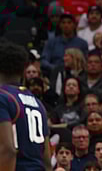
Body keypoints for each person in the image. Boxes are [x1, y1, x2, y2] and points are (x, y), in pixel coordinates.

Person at [0, 41, 52, 171]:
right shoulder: (37, 102)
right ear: (24, 70)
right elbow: (46, 158)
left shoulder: (3, 97)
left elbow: (8, 150)